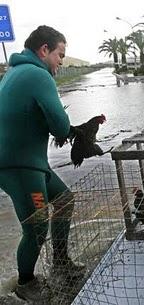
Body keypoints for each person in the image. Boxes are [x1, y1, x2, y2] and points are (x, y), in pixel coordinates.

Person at [0, 25, 84, 302]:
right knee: (35, 226)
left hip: (27, 163)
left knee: (64, 199)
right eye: (60, 54)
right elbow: (60, 126)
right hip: (19, 165)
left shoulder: (15, 73)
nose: (62, 61)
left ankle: (60, 262)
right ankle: (25, 282)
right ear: (44, 50)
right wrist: (67, 129)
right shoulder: (38, 75)